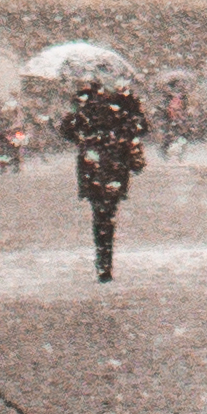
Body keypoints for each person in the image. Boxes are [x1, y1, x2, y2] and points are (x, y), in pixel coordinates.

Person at [63, 74, 148, 281]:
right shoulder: (121, 103)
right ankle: (104, 258)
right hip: (112, 164)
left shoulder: (86, 104)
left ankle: (103, 258)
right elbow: (141, 128)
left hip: (98, 166)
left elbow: (67, 131)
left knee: (101, 214)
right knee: (106, 212)